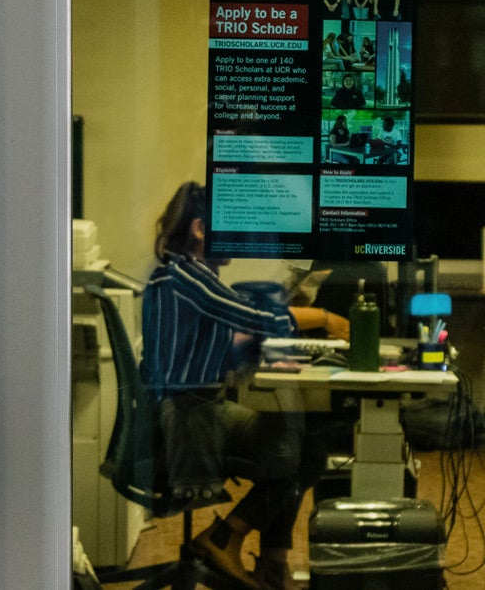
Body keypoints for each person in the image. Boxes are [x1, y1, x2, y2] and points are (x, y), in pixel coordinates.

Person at [144, 182, 347, 590]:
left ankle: (268, 563)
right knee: (300, 452)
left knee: (305, 443)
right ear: (201, 229)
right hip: (189, 422)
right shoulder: (187, 276)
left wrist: (260, 349)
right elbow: (255, 314)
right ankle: (224, 539)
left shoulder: (181, 275)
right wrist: (324, 318)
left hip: (193, 411)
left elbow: (216, 340)